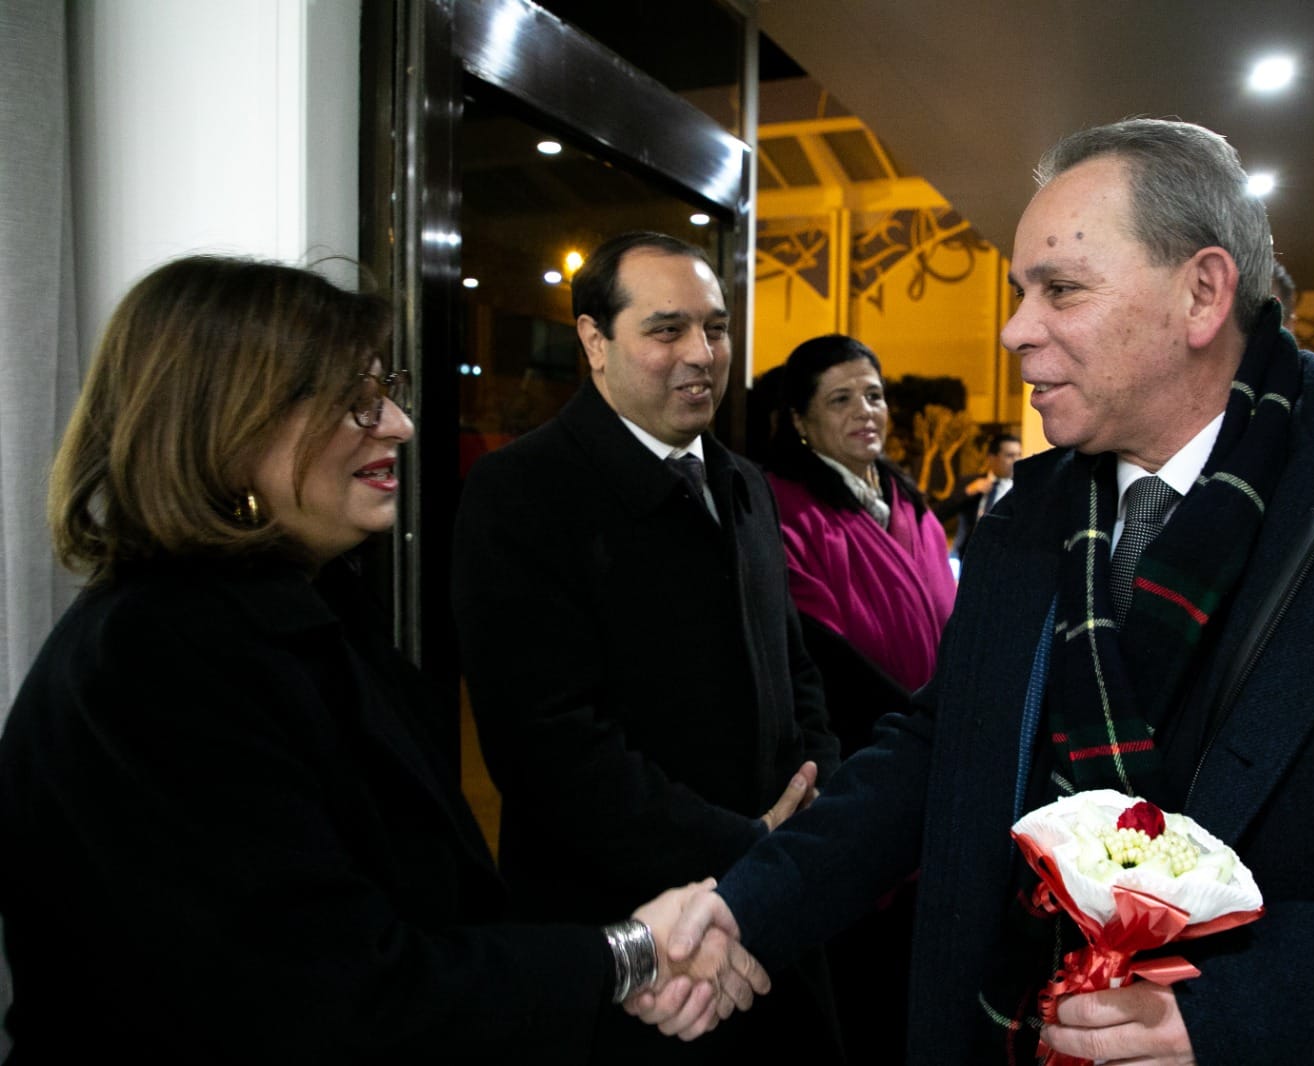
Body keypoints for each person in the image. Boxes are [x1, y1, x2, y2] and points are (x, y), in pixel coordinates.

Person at [657, 118, 1314, 1064]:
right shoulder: (1031, 512)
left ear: (1201, 293)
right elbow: (941, 748)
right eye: (1021, 292)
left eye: (1059, 290)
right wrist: (747, 908)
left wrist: (1232, 1013)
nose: (1015, 330)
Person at [0, 255, 766, 1064]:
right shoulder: (152, 663)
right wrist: (629, 953)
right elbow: (329, 998)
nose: (398, 423)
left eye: (386, 389)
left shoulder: (311, 610)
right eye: (354, 401)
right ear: (223, 424)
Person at [451, 232, 844, 1063]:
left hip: (770, 914)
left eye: (717, 327)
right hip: (630, 951)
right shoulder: (521, 493)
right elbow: (549, 747)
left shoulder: (745, 484)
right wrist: (745, 843)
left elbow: (794, 669)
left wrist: (815, 805)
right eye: (666, 330)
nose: (702, 354)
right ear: (595, 341)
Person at [763, 333, 957, 1064]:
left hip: (936, 765)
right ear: (801, 421)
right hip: (864, 764)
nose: (865, 411)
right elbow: (819, 651)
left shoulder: (907, 501)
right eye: (840, 399)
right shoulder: (787, 509)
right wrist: (932, 728)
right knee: (864, 981)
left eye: (873, 394)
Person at [935, 432, 1024, 564]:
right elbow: (938, 513)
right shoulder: (971, 483)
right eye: (1009, 456)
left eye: (1019, 455)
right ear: (992, 458)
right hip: (970, 559)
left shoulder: (1023, 488)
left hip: (1007, 561)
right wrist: (967, 492)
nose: (1016, 460)